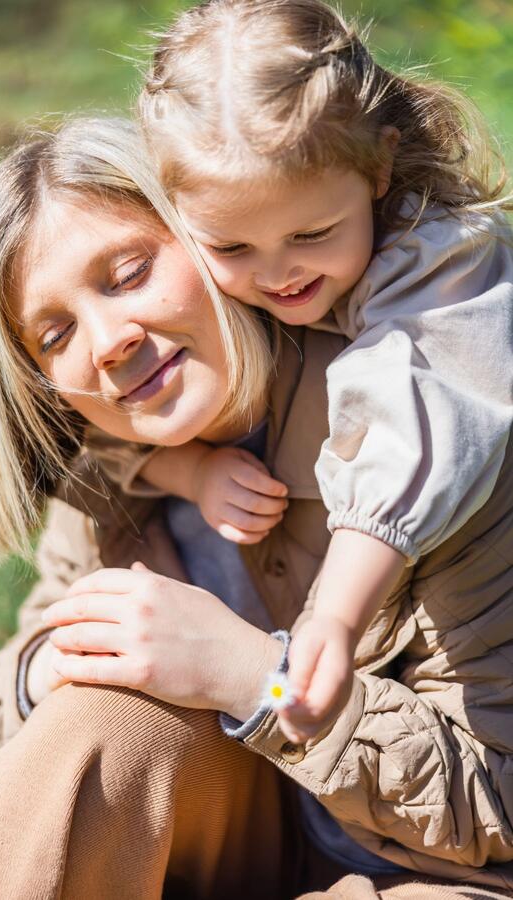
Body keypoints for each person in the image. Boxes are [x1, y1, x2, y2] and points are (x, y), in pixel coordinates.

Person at [0, 115, 512, 900]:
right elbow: (15, 688)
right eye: (54, 334)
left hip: (429, 873)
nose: (106, 344)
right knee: (103, 716)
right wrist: (59, 665)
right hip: (218, 839)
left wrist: (251, 677)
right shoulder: (110, 468)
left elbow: (493, 806)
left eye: (127, 274)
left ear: (211, 235)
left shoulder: (419, 427)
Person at [123, 0, 513, 744]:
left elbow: (413, 415)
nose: (278, 273)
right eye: (232, 248)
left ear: (378, 167)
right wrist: (189, 469)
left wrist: (332, 616)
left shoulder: (445, 262)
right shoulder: (211, 281)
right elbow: (89, 434)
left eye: (310, 233)